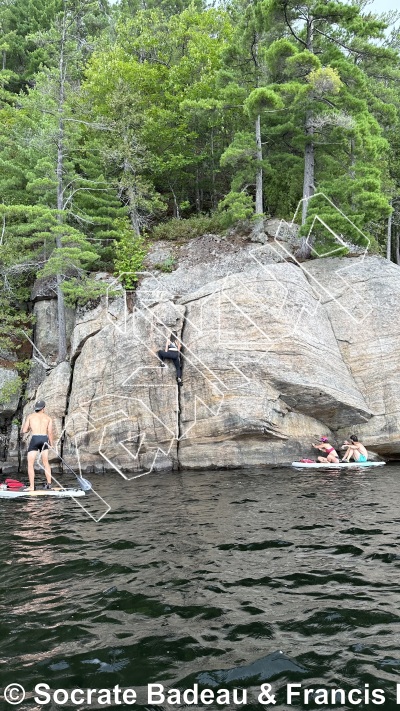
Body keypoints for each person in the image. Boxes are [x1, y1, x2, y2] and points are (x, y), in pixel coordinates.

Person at [21, 400, 53, 490]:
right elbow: (50, 432)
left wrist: (30, 428)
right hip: (44, 439)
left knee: (30, 464)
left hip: (35, 439)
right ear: (43, 408)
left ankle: (32, 486)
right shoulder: (48, 418)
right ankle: (49, 484)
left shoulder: (30, 417)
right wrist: (52, 444)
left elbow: (24, 430)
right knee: (46, 463)